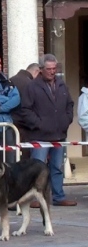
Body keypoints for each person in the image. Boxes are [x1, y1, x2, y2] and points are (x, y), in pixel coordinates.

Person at [20, 54, 77, 207]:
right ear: (41, 69)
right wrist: (39, 124)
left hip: (59, 135)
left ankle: (58, 197)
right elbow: (25, 110)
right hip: (40, 135)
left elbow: (69, 104)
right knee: (37, 168)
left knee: (57, 167)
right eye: (49, 69)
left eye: (54, 68)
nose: (52, 72)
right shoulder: (31, 87)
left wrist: (67, 120)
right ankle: (35, 198)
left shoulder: (61, 85)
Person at [10, 63, 40, 160]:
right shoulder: (30, 84)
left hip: (11, 125)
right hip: (26, 127)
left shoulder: (11, 80)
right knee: (26, 161)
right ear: (37, 72)